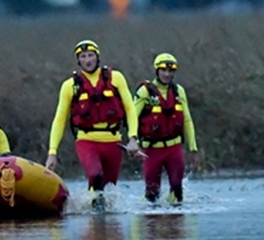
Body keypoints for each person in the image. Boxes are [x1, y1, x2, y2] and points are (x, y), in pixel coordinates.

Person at [45, 40, 142, 201]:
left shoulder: (116, 78)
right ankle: (92, 217)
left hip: (113, 141)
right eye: (83, 56)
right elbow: (59, 119)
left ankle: (102, 221)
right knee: (96, 176)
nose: (88, 60)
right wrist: (52, 152)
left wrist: (133, 138)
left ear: (98, 57)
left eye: (90, 55)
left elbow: (130, 108)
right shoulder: (70, 86)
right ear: (78, 60)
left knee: (109, 189)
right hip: (87, 141)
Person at [133, 52, 199, 203]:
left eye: (171, 71)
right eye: (163, 70)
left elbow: (187, 120)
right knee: (152, 193)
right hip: (152, 150)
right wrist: (133, 142)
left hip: (173, 149)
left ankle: (176, 224)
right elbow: (132, 118)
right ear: (157, 71)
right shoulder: (145, 91)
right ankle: (148, 224)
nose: (167, 74)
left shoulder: (178, 91)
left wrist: (193, 148)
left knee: (177, 189)